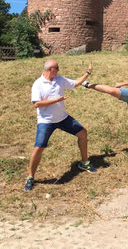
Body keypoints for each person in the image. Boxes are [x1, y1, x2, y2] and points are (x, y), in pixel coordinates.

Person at [24, 59, 96, 191]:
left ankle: (84, 163)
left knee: (83, 133)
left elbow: (75, 83)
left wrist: (88, 72)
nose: (59, 69)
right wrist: (56, 100)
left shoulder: (60, 79)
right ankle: (30, 177)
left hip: (62, 118)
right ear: (50, 69)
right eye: (57, 67)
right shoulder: (38, 84)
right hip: (46, 121)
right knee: (38, 148)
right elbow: (36, 104)